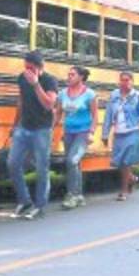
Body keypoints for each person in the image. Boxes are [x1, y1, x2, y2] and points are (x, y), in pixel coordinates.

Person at [8, 50, 58, 220]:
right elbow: (21, 101)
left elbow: (49, 104)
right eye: (26, 67)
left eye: (31, 68)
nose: (27, 71)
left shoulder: (49, 81)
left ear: (40, 67)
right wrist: (14, 124)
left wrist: (36, 85)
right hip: (24, 127)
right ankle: (25, 200)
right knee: (13, 163)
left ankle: (40, 205)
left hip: (42, 129)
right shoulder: (22, 78)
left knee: (41, 168)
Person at [101, 71, 139, 200]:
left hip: (133, 131)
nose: (124, 83)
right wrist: (105, 134)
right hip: (119, 133)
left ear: (132, 82)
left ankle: (124, 191)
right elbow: (108, 115)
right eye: (122, 80)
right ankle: (131, 178)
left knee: (126, 161)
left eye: (127, 80)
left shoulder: (138, 97)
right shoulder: (114, 96)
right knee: (119, 162)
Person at [53, 66, 97, 210]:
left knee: (72, 160)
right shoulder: (62, 94)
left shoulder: (89, 94)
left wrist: (91, 132)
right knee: (73, 164)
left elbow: (95, 116)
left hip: (83, 133)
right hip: (68, 133)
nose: (69, 77)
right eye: (69, 74)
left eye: (72, 75)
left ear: (81, 77)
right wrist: (51, 128)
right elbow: (58, 113)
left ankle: (71, 195)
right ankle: (79, 196)